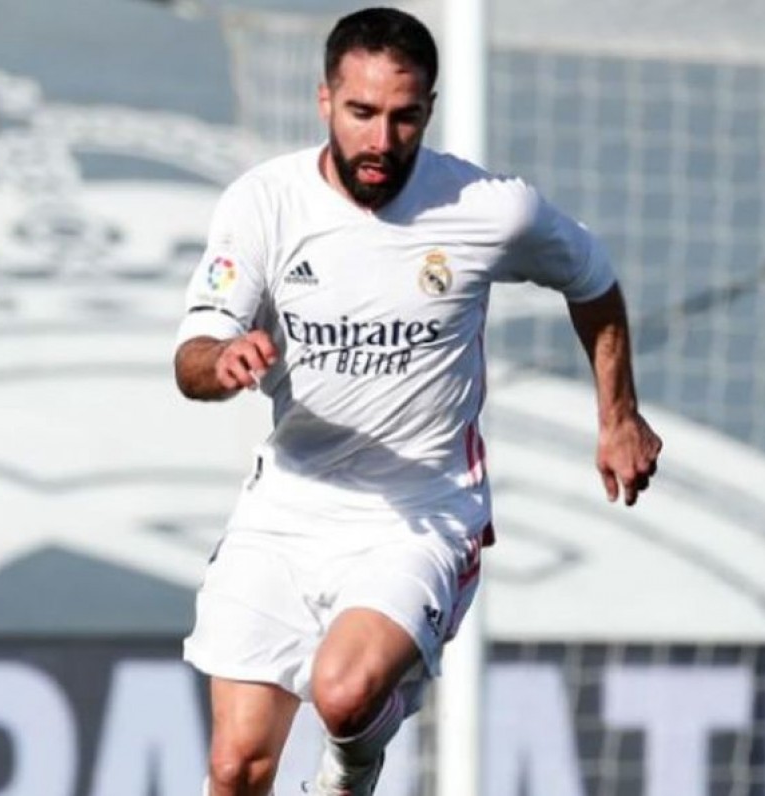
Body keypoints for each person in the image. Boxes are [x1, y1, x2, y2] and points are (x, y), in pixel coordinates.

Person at [173, 7, 661, 795]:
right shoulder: (264, 204)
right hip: (287, 508)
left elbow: (591, 278)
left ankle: (349, 772)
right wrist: (222, 358)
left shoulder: (487, 208)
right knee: (235, 769)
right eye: (361, 112)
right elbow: (193, 355)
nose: (381, 138)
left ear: (428, 110)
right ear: (325, 101)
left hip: (421, 513)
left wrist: (619, 416)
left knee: (343, 693)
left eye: (403, 117)